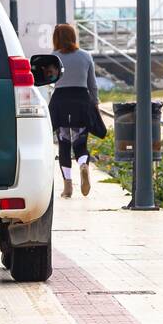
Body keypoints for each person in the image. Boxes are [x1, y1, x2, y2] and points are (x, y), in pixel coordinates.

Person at [46, 23, 105, 198]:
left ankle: (68, 187)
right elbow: (92, 85)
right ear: (73, 37)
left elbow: (49, 79)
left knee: (64, 143)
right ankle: (83, 164)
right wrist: (94, 103)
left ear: (56, 38)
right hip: (81, 100)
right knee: (80, 142)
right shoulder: (86, 56)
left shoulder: (53, 57)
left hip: (61, 101)